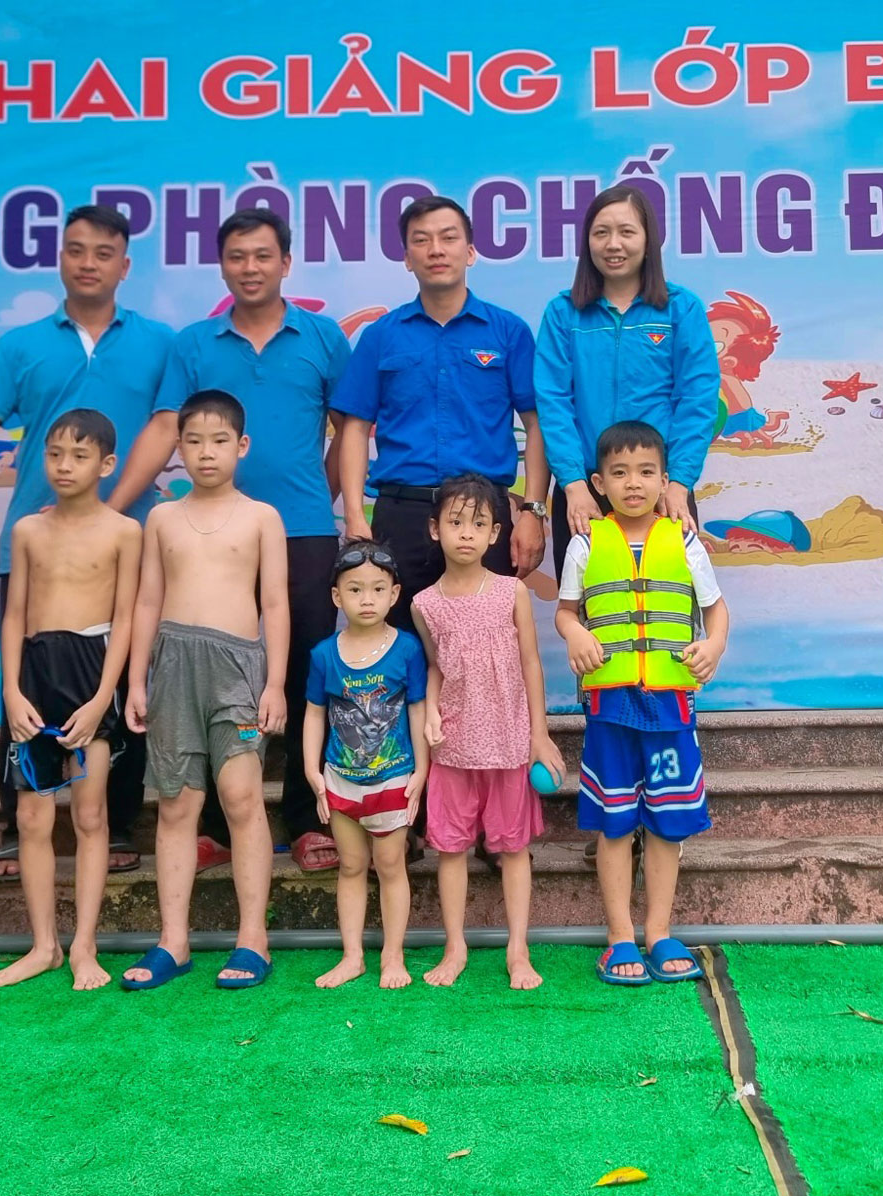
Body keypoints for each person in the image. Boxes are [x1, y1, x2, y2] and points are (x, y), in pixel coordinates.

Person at [0, 203, 173, 882]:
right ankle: (17, 825)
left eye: (103, 252)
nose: (88, 263)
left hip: (127, 545)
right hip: (36, 547)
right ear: (60, 258)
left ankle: (117, 823)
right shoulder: (21, 345)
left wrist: (106, 511)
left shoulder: (159, 342)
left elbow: (166, 426)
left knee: (124, 686)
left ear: (125, 265)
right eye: (76, 250)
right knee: (25, 684)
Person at [114, 207, 351, 874]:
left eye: (263, 255)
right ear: (222, 266)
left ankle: (307, 818)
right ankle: (215, 825)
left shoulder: (324, 336)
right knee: (215, 673)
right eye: (237, 256)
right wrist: (110, 508)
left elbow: (350, 428)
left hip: (304, 531)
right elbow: (166, 427)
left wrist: (323, 496)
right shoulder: (195, 344)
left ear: (286, 262)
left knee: (305, 676)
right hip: (208, 537)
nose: (250, 267)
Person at [119, 391, 288, 991]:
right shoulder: (162, 518)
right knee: (176, 804)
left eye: (219, 441)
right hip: (172, 665)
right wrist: (136, 679)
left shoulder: (262, 517)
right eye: (193, 441)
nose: (206, 453)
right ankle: (173, 941)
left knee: (241, 796)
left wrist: (275, 683)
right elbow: (146, 601)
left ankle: (253, 939)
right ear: (178, 449)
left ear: (242, 446)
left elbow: (275, 603)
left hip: (238, 668)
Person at [554, 420, 728, 988]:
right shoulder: (585, 543)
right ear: (599, 483)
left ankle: (659, 931)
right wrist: (575, 634)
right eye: (621, 473)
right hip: (610, 706)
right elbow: (566, 612)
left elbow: (716, 610)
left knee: (667, 824)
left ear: (665, 479)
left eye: (646, 472)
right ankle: (619, 936)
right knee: (614, 824)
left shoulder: (684, 540)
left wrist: (714, 646)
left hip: (671, 706)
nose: (634, 483)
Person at [0, 409, 141, 993]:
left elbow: (126, 618)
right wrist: (10, 689)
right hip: (34, 674)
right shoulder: (28, 530)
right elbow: (14, 615)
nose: (64, 466)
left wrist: (103, 698)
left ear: (106, 464)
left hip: (91, 672)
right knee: (31, 816)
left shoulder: (125, 531)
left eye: (78, 455)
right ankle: (43, 945)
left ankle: (84, 945)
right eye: (54, 454)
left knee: (91, 813)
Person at [333, 194, 548, 606]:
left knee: (486, 638)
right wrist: (356, 516)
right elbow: (355, 429)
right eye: (421, 240)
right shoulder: (381, 336)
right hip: (401, 516)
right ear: (406, 258)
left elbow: (536, 424)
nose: (436, 250)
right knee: (398, 637)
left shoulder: (509, 332)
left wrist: (532, 512)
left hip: (482, 516)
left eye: (448, 238)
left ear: (470, 252)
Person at [410, 475, 562, 990]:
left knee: (513, 849)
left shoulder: (510, 592)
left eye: (478, 524)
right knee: (450, 849)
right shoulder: (424, 604)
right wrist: (431, 713)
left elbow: (531, 663)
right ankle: (455, 946)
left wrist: (539, 735)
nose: (466, 533)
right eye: (455, 522)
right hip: (452, 746)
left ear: (495, 533)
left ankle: (519, 949)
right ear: (435, 529)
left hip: (509, 742)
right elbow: (436, 666)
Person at [535, 182, 721, 561]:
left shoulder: (681, 309)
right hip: (586, 493)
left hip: (660, 491)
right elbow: (553, 403)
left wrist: (678, 483)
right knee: (587, 598)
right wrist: (573, 484)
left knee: (666, 598)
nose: (613, 244)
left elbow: (698, 401)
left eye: (627, 232)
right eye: (601, 233)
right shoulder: (563, 313)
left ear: (649, 240)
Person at [302, 542, 428, 989]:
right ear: (337, 596)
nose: (367, 599)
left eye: (377, 589)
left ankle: (393, 956)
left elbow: (418, 709)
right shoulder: (323, 655)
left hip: (393, 779)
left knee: (391, 866)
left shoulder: (408, 649)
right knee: (351, 866)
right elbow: (314, 713)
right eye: (355, 590)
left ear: (395, 594)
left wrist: (422, 772)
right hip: (340, 780)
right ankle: (352, 956)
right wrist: (313, 772)